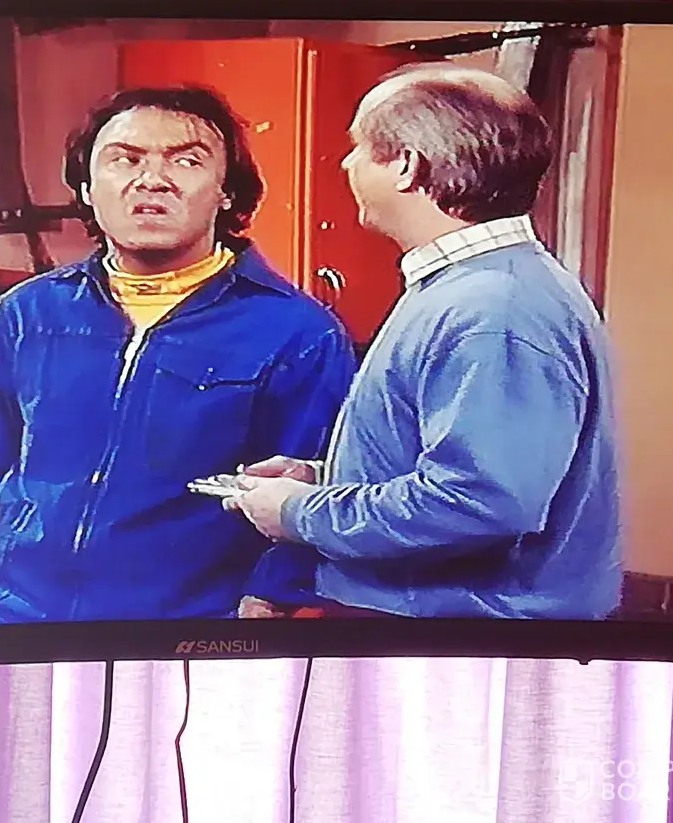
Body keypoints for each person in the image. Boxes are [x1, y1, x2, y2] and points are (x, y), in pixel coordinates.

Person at [0, 85, 356, 624]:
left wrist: (252, 628)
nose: (153, 179)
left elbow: (312, 506)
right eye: (125, 159)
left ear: (227, 192)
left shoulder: (299, 333)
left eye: (186, 161)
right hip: (4, 619)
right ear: (87, 189)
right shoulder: (28, 311)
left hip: (178, 637)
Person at [228, 63, 623, 619]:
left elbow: (480, 502)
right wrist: (328, 479)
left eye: (360, 147)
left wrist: (302, 514)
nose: (346, 164)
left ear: (407, 166)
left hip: (453, 635)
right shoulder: (468, 288)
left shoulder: (494, 308)